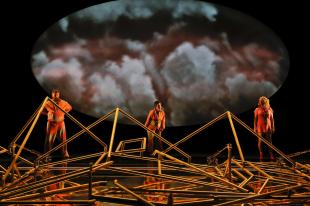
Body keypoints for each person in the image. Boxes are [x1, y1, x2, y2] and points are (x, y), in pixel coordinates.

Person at [43, 89, 72, 159]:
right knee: (49, 140)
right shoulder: (47, 103)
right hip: (51, 123)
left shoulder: (63, 102)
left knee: (63, 139)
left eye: (57, 94)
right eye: (54, 94)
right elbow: (41, 110)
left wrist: (63, 113)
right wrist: (48, 114)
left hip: (61, 123)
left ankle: (64, 154)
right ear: (52, 94)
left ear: (59, 94)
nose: (56, 95)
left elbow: (70, 108)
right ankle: (46, 155)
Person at [254, 96, 275, 161]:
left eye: (263, 100)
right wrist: (255, 128)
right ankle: (261, 153)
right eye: (261, 101)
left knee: (269, 142)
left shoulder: (269, 109)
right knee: (260, 141)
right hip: (260, 126)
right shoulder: (257, 110)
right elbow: (255, 119)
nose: (262, 102)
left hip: (268, 126)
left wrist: (273, 127)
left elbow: (272, 119)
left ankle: (271, 154)